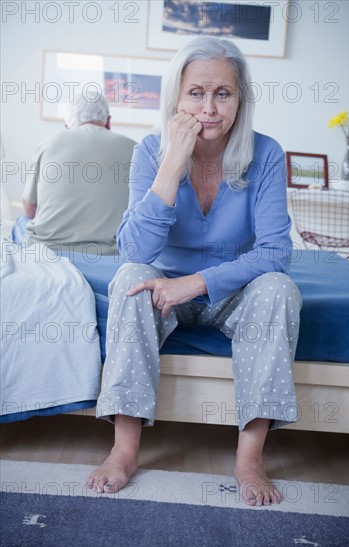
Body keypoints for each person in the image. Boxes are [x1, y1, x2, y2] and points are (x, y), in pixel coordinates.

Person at [87, 36, 302, 506]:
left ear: (240, 99)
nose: (209, 107)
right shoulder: (148, 151)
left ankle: (249, 457)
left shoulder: (266, 155)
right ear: (176, 99)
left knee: (279, 289)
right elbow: (134, 249)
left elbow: (274, 252)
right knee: (127, 281)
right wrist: (173, 162)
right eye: (196, 93)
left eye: (222, 93)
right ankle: (124, 449)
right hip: (161, 290)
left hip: (233, 292)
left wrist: (198, 283)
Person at [21, 93, 136, 254]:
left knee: (20, 223)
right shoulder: (135, 149)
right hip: (109, 255)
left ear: (67, 125)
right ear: (108, 122)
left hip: (46, 251)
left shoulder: (47, 143)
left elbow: (30, 210)